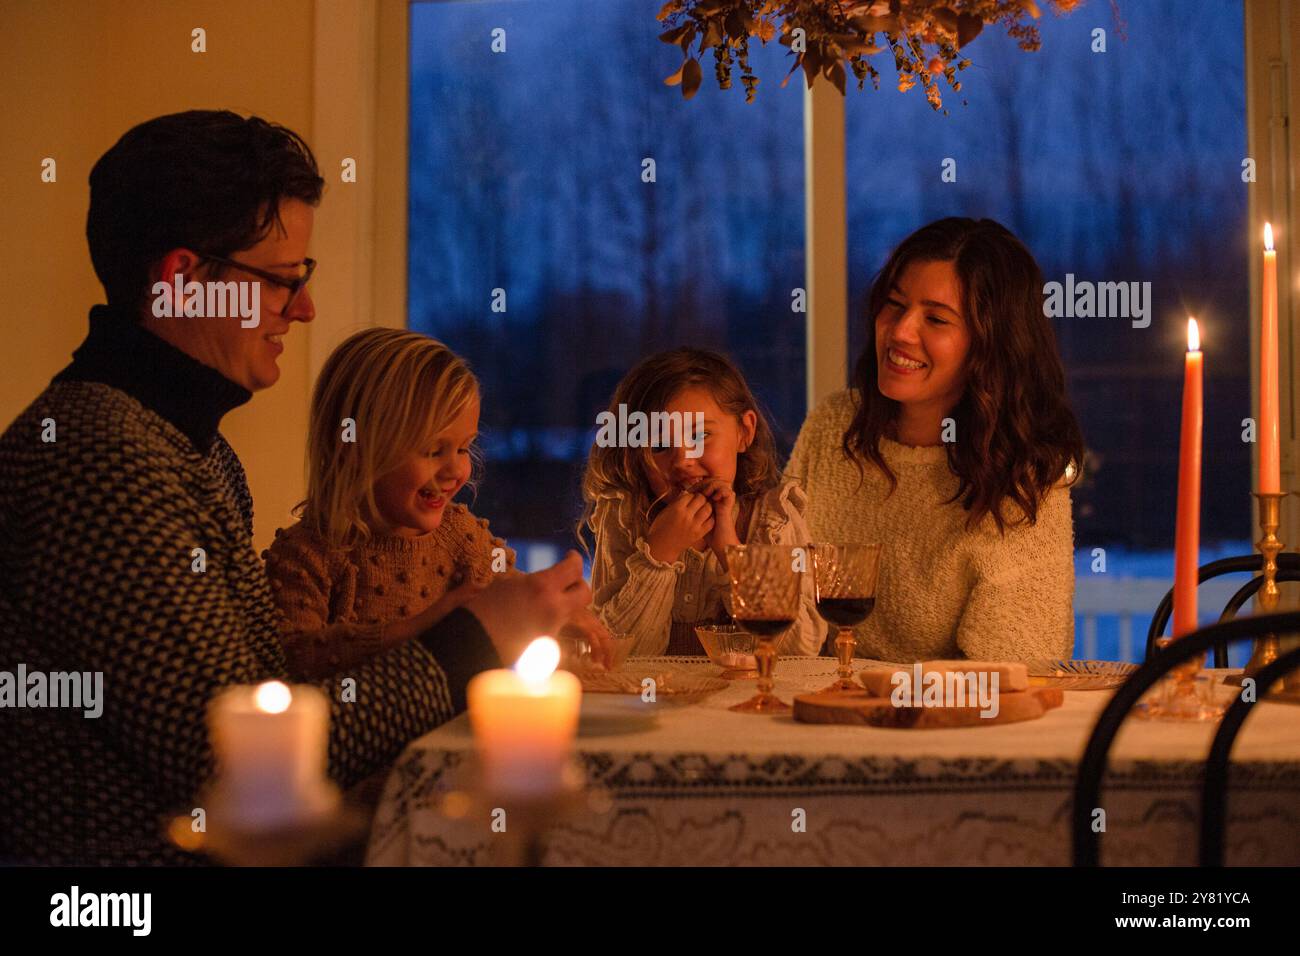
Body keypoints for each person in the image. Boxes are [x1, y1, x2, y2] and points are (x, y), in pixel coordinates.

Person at [0, 110, 605, 865]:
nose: (305, 308)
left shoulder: (194, 451)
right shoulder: (100, 463)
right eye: (282, 281)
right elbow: (231, 769)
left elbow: (270, 690)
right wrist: (473, 638)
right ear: (185, 281)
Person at [786, 217, 1084, 664]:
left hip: (944, 728)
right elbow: (776, 594)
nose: (900, 331)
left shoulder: (1023, 476)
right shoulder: (833, 426)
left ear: (991, 345)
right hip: (813, 714)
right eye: (894, 304)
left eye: (936, 318)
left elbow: (1015, 668)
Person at [266, 327, 608, 679]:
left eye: (463, 448)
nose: (455, 469)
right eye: (432, 450)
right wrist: (429, 627)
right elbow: (292, 660)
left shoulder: (462, 537)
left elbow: (511, 605)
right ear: (354, 448)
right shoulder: (306, 555)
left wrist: (557, 616)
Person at [582, 348, 824, 656]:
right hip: (653, 702)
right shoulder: (624, 517)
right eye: (659, 444)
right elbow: (615, 654)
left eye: (700, 436)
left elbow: (799, 650)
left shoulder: (773, 519)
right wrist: (659, 555)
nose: (682, 459)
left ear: (744, 432)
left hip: (746, 702)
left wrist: (730, 552)